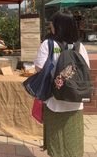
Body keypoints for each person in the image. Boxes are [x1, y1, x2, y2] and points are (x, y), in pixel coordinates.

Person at [34, 11, 90, 157]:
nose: (50, 27)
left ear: (58, 26)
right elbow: (86, 69)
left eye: (52, 24)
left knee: (56, 140)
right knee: (73, 140)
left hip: (55, 100)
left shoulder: (49, 44)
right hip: (75, 100)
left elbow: (39, 69)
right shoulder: (80, 46)